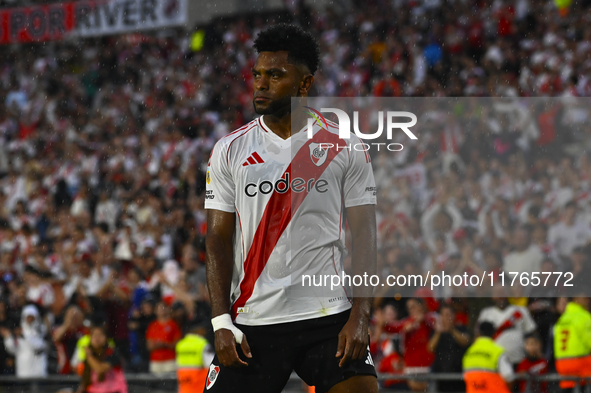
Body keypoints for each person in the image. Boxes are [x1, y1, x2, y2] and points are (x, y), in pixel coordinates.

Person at [204, 23, 378, 393]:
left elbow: (365, 235)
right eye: (258, 74)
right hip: (253, 319)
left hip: (327, 316)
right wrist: (221, 320)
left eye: (275, 75)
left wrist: (360, 317)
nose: (261, 83)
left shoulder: (346, 146)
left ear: (304, 84)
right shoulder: (229, 149)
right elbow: (217, 237)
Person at [477, 287, 537, 365]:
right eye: (497, 293)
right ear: (492, 296)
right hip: (493, 361)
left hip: (519, 360)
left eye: (503, 292)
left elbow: (533, 334)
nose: (500, 296)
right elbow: (478, 337)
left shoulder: (521, 310)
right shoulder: (486, 313)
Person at [427, 303, 470, 392]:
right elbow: (430, 348)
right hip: (441, 376)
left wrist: (452, 330)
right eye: (444, 315)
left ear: (454, 316)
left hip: (458, 376)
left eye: (449, 314)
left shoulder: (460, 328)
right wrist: (438, 332)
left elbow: (465, 341)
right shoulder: (436, 332)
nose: (447, 317)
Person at [553, 293, 591, 391]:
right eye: (586, 297)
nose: (588, 299)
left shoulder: (562, 318)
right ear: (576, 298)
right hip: (581, 364)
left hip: (561, 365)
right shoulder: (584, 316)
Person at [463, 321, 514, 393]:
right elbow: (509, 377)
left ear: (479, 333)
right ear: (494, 333)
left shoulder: (469, 352)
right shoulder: (498, 351)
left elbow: (466, 377)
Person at [76, 325, 127, 393]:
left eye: (100, 335)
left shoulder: (112, 352)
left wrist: (89, 356)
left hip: (113, 390)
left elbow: (100, 369)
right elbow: (85, 380)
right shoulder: (91, 355)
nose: (97, 338)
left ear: (105, 338)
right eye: (94, 335)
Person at [0, 304, 47, 377]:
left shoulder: (41, 330)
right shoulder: (20, 332)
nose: (29, 320)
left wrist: (23, 335)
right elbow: (13, 349)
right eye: (28, 317)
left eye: (32, 317)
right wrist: (8, 337)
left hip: (38, 373)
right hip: (23, 373)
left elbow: (38, 346)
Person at [175, 323, 214, 393]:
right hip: (199, 385)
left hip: (184, 382)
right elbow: (211, 363)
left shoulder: (180, 344)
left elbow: (177, 363)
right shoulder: (202, 343)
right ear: (198, 330)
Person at [146, 301, 182, 374]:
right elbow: (149, 346)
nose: (161, 310)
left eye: (163, 308)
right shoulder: (152, 326)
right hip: (156, 361)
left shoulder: (173, 324)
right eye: (159, 308)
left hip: (170, 360)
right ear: (155, 311)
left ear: (167, 309)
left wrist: (164, 344)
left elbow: (177, 344)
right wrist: (162, 345)